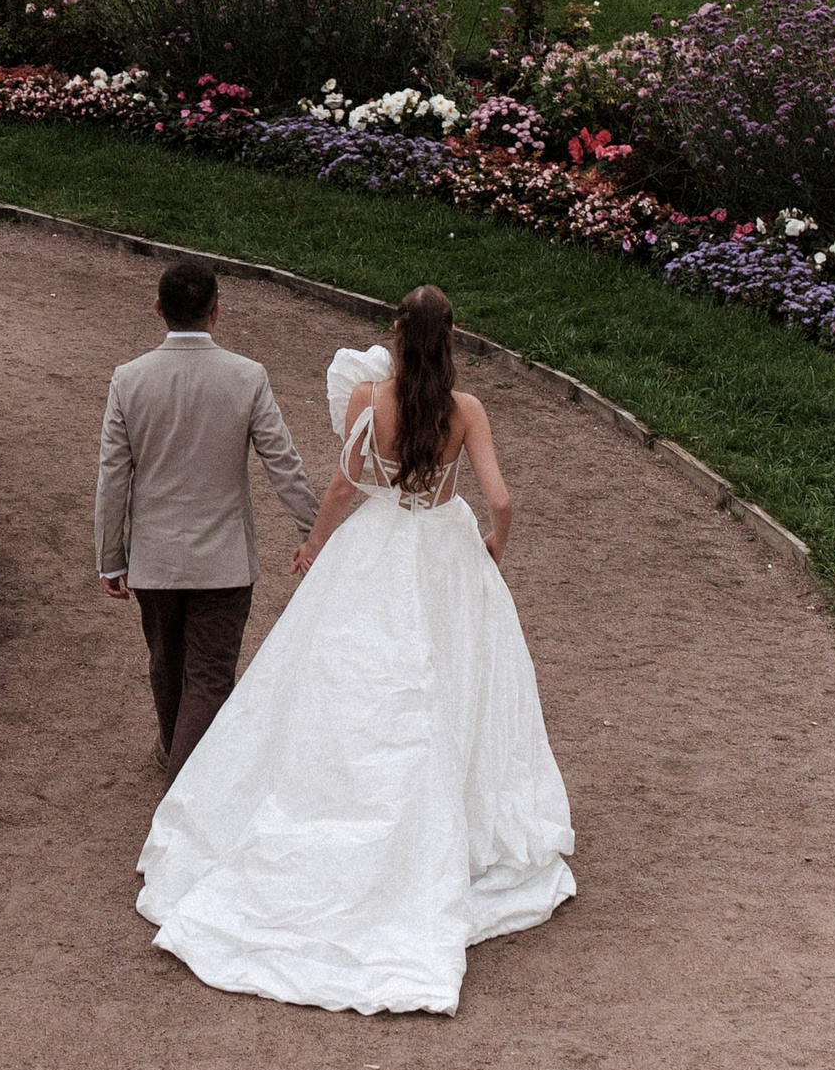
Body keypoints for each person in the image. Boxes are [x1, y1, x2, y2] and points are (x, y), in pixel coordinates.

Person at [136, 286, 574, 1015]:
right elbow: (501, 500)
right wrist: (493, 545)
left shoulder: (371, 398)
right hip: (440, 548)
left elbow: (345, 482)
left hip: (374, 546)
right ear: (452, 337)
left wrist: (312, 546)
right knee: (446, 681)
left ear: (397, 336)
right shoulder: (467, 411)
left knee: (344, 680)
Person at [95, 260, 318, 779]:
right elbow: (281, 462)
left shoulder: (128, 380)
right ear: (217, 311)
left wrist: (110, 556)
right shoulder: (247, 376)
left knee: (167, 663)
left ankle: (175, 756)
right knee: (211, 675)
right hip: (224, 560)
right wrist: (314, 530)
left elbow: (113, 475)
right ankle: (185, 783)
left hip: (155, 557)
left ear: (158, 309)